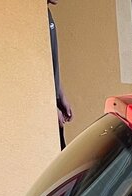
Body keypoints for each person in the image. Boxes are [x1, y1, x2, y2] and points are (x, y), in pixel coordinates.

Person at [48, 0, 72, 148]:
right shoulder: (35, 18)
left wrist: (61, 96)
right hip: (45, 104)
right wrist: (50, 107)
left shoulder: (47, 13)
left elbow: (50, 66)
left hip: (53, 100)